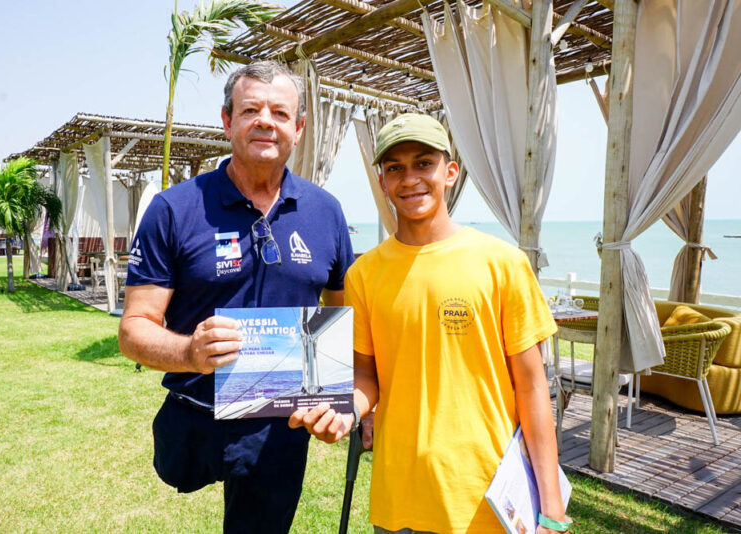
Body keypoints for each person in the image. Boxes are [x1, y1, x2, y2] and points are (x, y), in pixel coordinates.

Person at [290, 114, 570, 533]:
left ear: (450, 172)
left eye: (424, 163)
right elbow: (367, 376)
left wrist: (552, 508)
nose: (410, 179)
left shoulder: (502, 263)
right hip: (399, 497)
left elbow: (532, 388)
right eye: (395, 168)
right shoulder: (363, 275)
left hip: (488, 500)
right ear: (382, 182)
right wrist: (344, 411)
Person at [118, 60, 355, 533]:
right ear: (227, 122)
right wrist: (188, 350)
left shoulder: (326, 212)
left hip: (279, 425)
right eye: (251, 110)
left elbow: (343, 309)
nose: (266, 120)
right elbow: (133, 330)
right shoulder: (174, 208)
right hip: (195, 412)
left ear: (299, 128)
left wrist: (337, 393)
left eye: (280, 113)